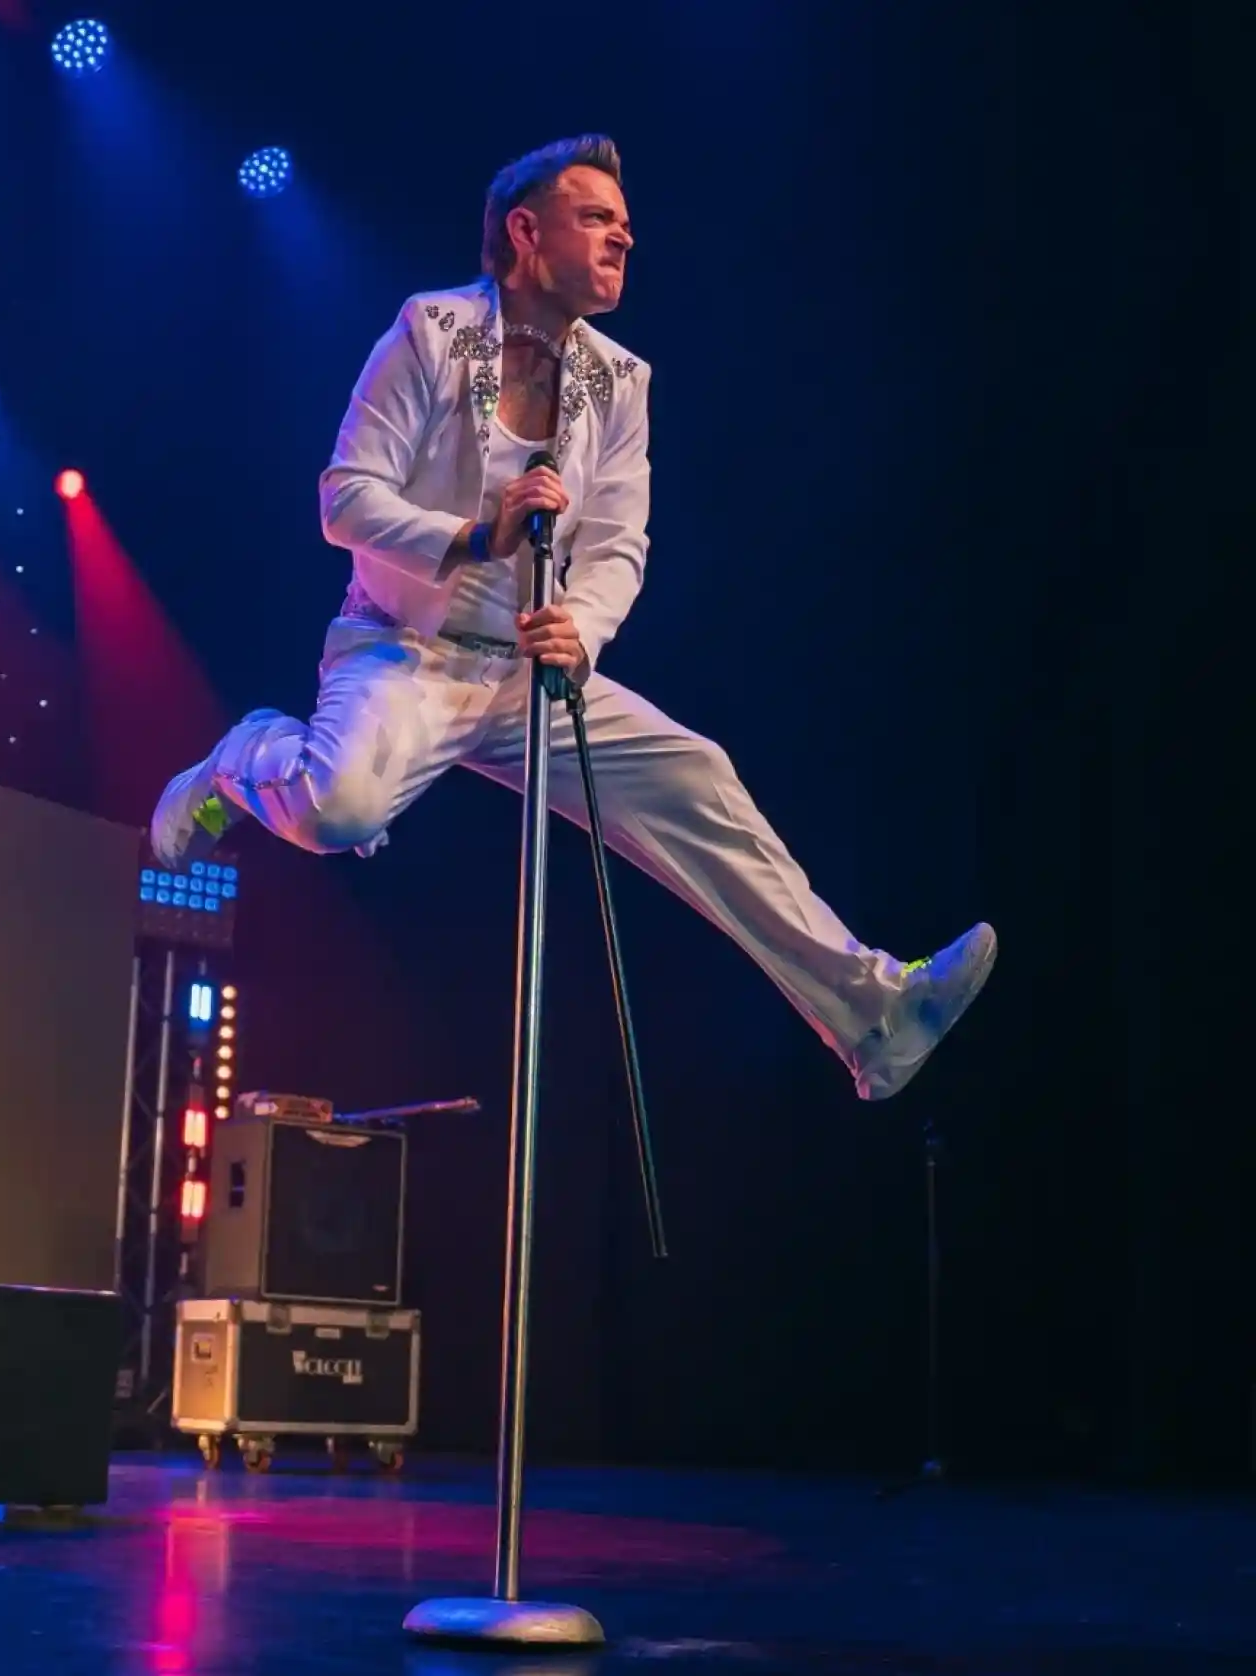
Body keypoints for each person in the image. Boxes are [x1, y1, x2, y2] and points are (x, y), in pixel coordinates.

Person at [150, 135, 994, 1100]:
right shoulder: (429, 333)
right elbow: (344, 499)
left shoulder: (620, 382)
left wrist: (581, 631)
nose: (622, 238)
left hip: (529, 675)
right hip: (401, 653)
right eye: (596, 218)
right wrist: (475, 536)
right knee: (338, 810)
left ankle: (874, 1016)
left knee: (696, 774)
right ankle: (241, 757)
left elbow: (620, 542)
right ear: (524, 231)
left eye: (626, 227)